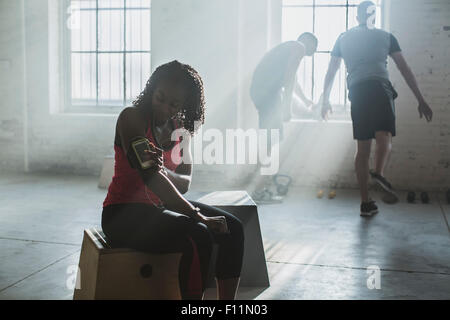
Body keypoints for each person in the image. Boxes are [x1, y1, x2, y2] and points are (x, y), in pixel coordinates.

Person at [102, 60, 245, 300]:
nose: (164, 107)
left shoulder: (181, 131)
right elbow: (150, 177)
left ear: (184, 106)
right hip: (122, 214)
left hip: (162, 208)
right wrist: (198, 216)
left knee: (233, 228)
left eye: (173, 104)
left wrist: (163, 171)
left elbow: (185, 182)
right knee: (197, 234)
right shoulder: (132, 118)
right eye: (160, 97)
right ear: (151, 90)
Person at [320, 1, 433, 216]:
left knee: (362, 150)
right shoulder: (385, 36)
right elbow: (404, 67)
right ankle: (379, 173)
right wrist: (420, 98)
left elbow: (332, 70)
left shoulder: (343, 38)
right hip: (379, 87)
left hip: (357, 91)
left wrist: (325, 100)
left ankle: (365, 203)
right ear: (374, 16)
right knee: (385, 136)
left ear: (357, 17)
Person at [249, 33, 318, 202]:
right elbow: (288, 78)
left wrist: (305, 100)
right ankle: (259, 191)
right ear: (308, 41)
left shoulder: (287, 49)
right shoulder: (298, 47)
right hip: (267, 94)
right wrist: (287, 109)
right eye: (314, 46)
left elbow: (292, 79)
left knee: (270, 140)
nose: (314, 51)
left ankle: (260, 187)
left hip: (263, 93)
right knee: (269, 141)